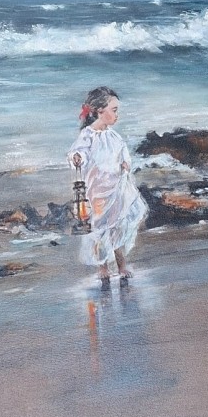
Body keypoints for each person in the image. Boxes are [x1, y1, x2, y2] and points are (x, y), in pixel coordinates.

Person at [68, 86, 147, 285]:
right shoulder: (88, 135)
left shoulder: (114, 136)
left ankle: (121, 265)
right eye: (114, 110)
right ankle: (102, 266)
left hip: (116, 189)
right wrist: (77, 157)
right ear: (99, 111)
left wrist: (126, 163)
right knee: (100, 229)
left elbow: (124, 154)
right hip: (97, 190)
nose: (117, 114)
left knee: (118, 225)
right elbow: (78, 153)